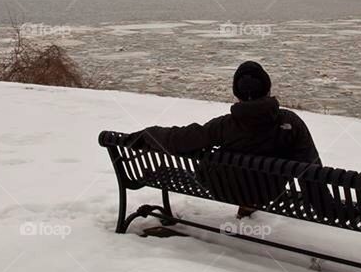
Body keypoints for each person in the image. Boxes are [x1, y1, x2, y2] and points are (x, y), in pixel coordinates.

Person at [124, 61, 322, 217]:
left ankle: (245, 201)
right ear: (268, 90)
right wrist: (325, 208)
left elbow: (179, 140)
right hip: (267, 193)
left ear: (237, 94)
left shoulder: (225, 126)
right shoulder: (291, 122)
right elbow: (312, 168)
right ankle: (248, 203)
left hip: (224, 190)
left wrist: (148, 134)